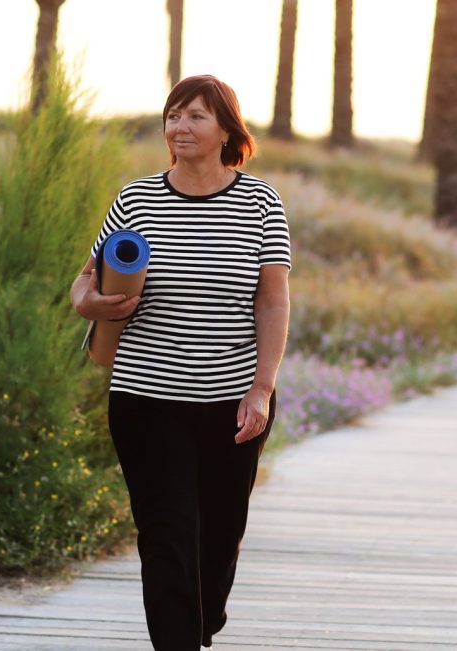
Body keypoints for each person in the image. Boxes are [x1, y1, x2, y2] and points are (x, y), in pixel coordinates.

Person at [70, 74, 291, 651]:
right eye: (173, 115)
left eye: (195, 116)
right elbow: (85, 283)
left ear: (226, 131)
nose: (180, 126)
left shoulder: (260, 203)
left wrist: (261, 389)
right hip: (146, 399)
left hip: (231, 401)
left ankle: (201, 622)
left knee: (220, 535)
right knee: (167, 533)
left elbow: (272, 302)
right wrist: (90, 303)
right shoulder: (136, 200)